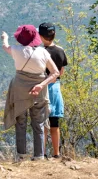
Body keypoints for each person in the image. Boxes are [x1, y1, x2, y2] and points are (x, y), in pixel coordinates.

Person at [2, 24, 59, 161]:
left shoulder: (15, 50)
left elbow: (5, 47)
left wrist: (4, 38)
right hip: (38, 93)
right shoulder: (43, 53)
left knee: (20, 123)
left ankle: (21, 156)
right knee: (39, 124)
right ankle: (39, 156)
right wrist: (41, 85)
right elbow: (55, 73)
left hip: (19, 91)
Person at [39, 22, 68, 159]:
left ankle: (42, 153)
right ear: (54, 34)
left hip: (43, 88)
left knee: (43, 123)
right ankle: (56, 153)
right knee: (54, 123)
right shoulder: (60, 50)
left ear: (40, 36)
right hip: (56, 88)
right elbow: (61, 72)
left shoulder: (40, 52)